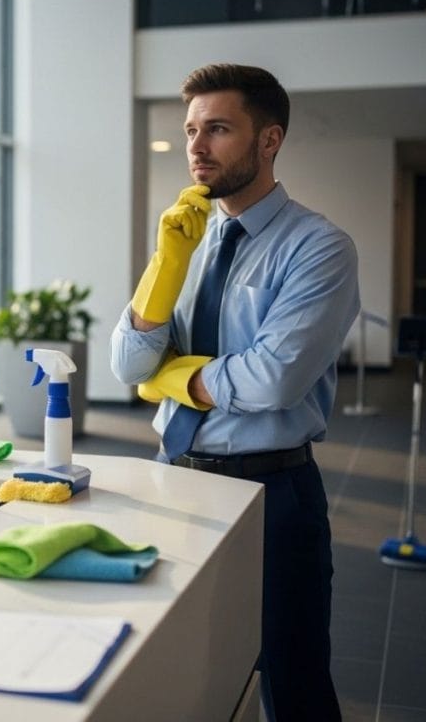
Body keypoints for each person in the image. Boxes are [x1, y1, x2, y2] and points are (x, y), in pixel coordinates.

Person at [110, 64, 358, 721]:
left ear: (268, 139)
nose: (196, 146)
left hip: (271, 493)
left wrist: (173, 380)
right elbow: (126, 362)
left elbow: (272, 378)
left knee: (291, 676)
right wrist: (165, 266)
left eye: (217, 129)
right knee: (181, 664)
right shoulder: (185, 238)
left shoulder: (318, 247)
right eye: (192, 130)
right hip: (174, 479)